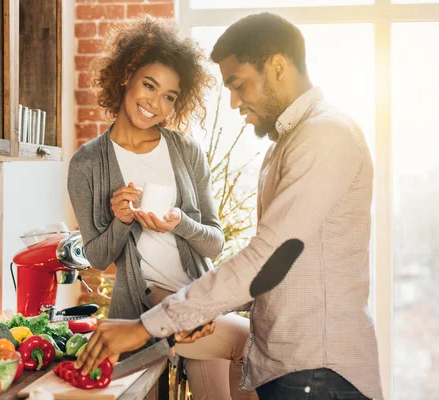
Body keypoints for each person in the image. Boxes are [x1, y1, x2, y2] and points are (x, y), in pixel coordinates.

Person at [74, 12, 383, 400]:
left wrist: (146, 326)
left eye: (238, 84)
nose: (234, 102)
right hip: (298, 370)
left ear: (277, 66)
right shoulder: (289, 143)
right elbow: (289, 271)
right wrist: (196, 312)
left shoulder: (323, 136)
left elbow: (267, 259)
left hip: (318, 374)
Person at [67, 16, 256, 400]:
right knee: (250, 342)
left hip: (200, 298)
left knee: (229, 373)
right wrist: (120, 220)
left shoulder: (186, 151)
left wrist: (180, 223)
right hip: (146, 302)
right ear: (126, 76)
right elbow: (99, 258)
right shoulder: (87, 163)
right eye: (149, 86)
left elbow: (215, 244)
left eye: (169, 96)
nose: (155, 103)